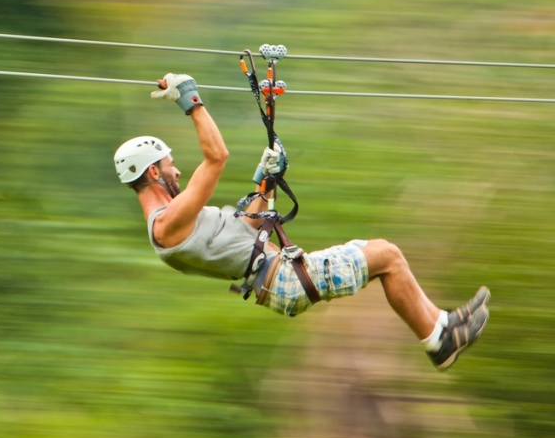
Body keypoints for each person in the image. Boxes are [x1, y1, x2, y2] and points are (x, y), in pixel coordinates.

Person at [115, 73, 489, 370]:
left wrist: (268, 179)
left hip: (283, 277)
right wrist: (190, 100)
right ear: (152, 173)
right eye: (169, 165)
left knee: (375, 254)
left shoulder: (182, 222)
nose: (177, 171)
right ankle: (438, 339)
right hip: (287, 279)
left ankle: (441, 326)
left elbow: (250, 227)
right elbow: (216, 157)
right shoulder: (167, 225)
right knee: (387, 255)